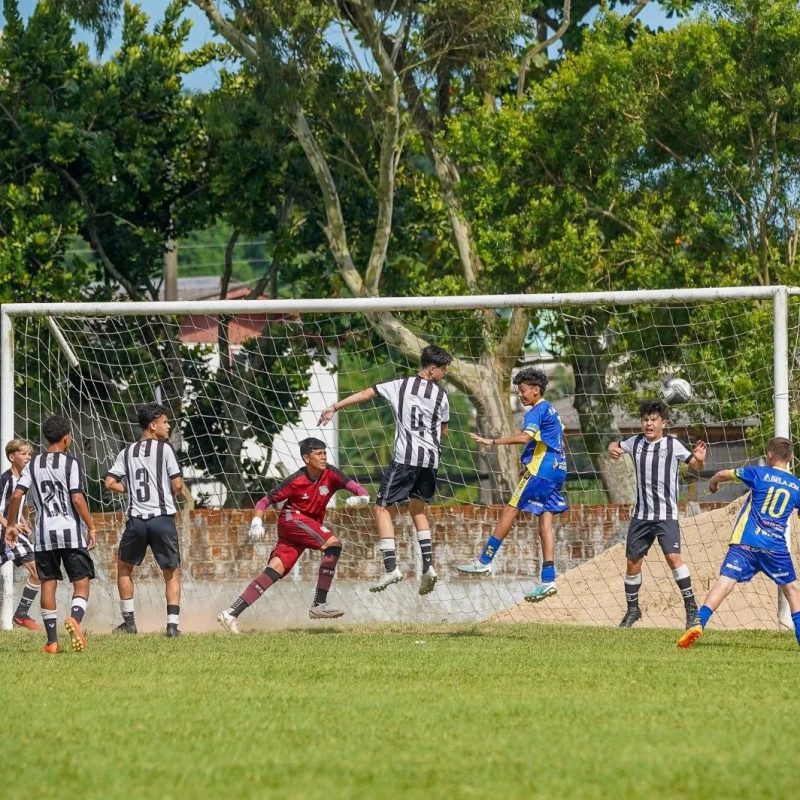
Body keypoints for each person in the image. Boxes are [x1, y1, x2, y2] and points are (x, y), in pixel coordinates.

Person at [317, 344, 452, 595]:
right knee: (418, 509)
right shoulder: (442, 396)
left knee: (381, 509)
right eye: (444, 369)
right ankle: (428, 567)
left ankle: (391, 568)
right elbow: (443, 430)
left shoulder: (400, 385)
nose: (445, 373)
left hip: (405, 460)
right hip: (431, 461)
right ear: (432, 369)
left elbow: (366, 394)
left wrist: (334, 407)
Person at [217, 438, 369, 634]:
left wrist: (363, 498)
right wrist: (256, 521)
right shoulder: (296, 480)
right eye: (318, 454)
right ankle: (319, 604)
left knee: (275, 569)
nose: (324, 457)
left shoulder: (331, 473)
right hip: (293, 519)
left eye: (324, 453)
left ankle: (230, 613)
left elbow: (358, 488)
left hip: (300, 528)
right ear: (306, 458)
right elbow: (264, 501)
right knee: (334, 545)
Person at [457, 367, 569, 602]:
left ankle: (484, 561)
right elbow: (548, 440)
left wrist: (492, 441)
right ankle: (548, 580)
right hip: (557, 470)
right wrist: (528, 460)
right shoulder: (552, 410)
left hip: (541, 471)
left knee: (510, 509)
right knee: (544, 525)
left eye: (523, 390)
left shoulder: (536, 411)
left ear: (536, 390)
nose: (520, 395)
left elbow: (525, 437)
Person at [678, 437, 800, 648]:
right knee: (792, 590)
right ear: (790, 458)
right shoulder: (797, 485)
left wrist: (713, 482)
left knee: (725, 583)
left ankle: (698, 622)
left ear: (769, 455)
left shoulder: (759, 473)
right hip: (775, 548)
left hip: (746, 542)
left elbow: (724, 474)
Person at [608, 399, 706, 629]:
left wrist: (700, 460)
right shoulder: (635, 442)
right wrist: (612, 448)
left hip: (666, 515)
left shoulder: (673, 444)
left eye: (653, 420)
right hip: (641, 515)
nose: (648, 424)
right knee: (632, 563)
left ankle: (691, 609)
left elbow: (696, 465)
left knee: (673, 558)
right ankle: (633, 610)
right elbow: (615, 444)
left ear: (664, 422)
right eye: (645, 420)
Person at [4, 416, 96, 654]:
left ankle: (52, 642)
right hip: (71, 534)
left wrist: (11, 525)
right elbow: (77, 498)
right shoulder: (71, 463)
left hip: (44, 536)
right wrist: (91, 526)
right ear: (66, 438)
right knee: (81, 584)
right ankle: (75, 618)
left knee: (48, 583)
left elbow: (16, 496)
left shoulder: (33, 465)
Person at [105, 403, 184, 637]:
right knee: (171, 572)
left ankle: (129, 623)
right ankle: (172, 626)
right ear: (152, 426)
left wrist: (130, 491)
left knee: (124, 567)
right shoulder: (165, 449)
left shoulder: (127, 451)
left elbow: (109, 482)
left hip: (136, 521)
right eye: (165, 422)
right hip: (161, 519)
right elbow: (178, 484)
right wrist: (166, 496)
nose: (168, 426)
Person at [0, 439, 41, 630]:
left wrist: (22, 523)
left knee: (38, 571)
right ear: (11, 457)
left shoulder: (24, 479)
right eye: (23, 453)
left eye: (29, 454)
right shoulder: (5, 480)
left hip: (13, 535)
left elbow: (14, 507)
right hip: (5, 533)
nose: (28, 457)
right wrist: (9, 526)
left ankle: (21, 614)